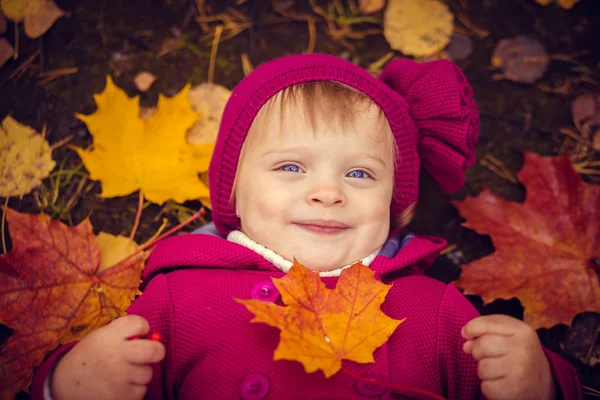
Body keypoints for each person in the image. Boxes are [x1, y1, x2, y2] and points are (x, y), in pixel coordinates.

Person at [31, 54, 581, 400]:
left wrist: (542, 384)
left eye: (360, 173)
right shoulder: (178, 297)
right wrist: (70, 382)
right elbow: (124, 378)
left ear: (396, 207)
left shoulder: (433, 310)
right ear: (233, 194)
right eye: (291, 167)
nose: (327, 191)